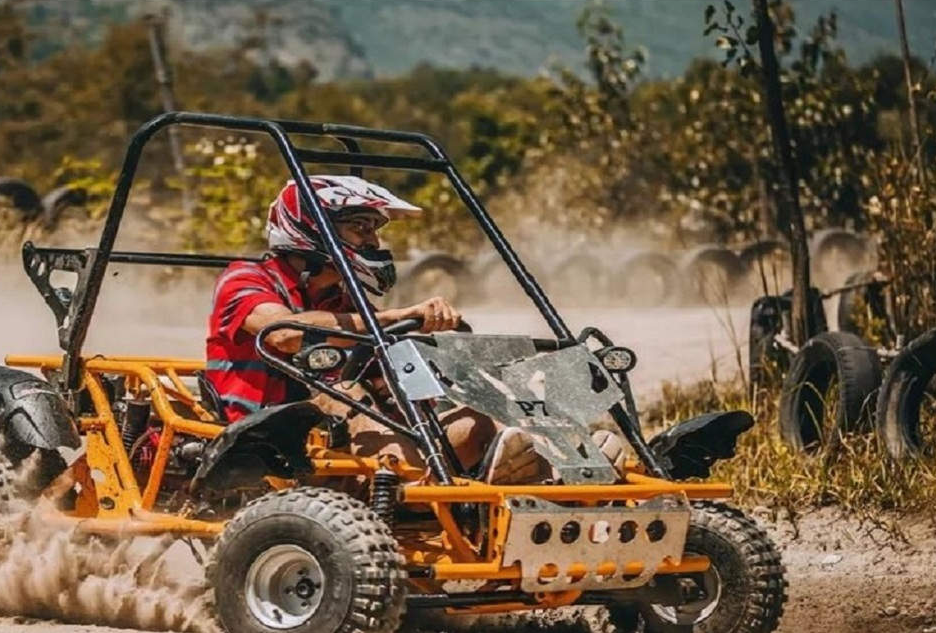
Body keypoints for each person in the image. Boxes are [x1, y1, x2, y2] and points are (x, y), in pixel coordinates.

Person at [204, 175, 625, 483]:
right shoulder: (247, 278)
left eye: (374, 228)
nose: (372, 240)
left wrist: (445, 359)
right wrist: (392, 319)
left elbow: (381, 368)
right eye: (359, 226)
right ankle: (455, 486)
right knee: (348, 394)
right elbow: (281, 333)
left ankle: (557, 461)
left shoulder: (345, 304)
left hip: (340, 435)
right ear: (312, 228)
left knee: (475, 407)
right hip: (270, 437)